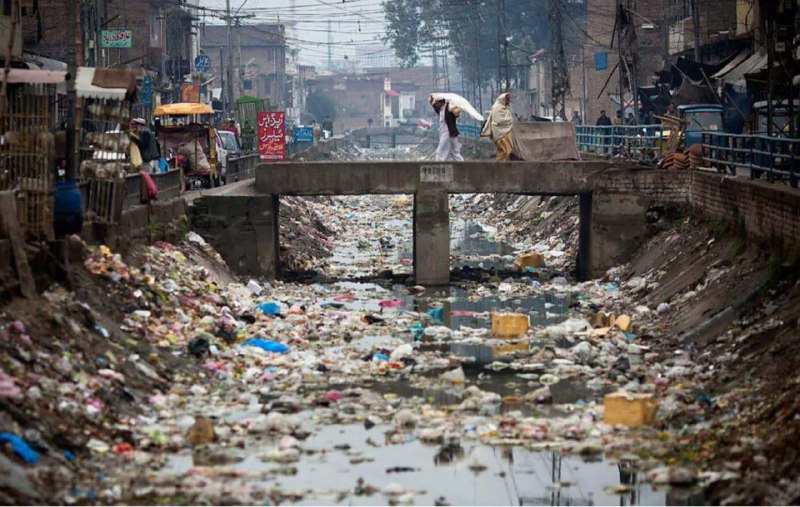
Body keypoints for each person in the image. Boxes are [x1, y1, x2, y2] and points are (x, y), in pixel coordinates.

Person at [481, 92, 514, 161]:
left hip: (506, 132)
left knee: (506, 150)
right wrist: (508, 120)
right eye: (507, 99)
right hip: (499, 132)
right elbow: (499, 120)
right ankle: (499, 165)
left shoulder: (504, 108)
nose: (508, 101)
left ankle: (501, 165)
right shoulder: (497, 108)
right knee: (503, 150)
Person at [430, 96, 463, 162]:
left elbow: (456, 114)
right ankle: (462, 164)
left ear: (441, 102)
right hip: (444, 132)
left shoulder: (449, 108)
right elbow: (436, 108)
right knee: (453, 152)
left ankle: (439, 164)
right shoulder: (441, 109)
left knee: (440, 151)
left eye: (437, 103)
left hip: (448, 132)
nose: (436, 105)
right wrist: (431, 101)